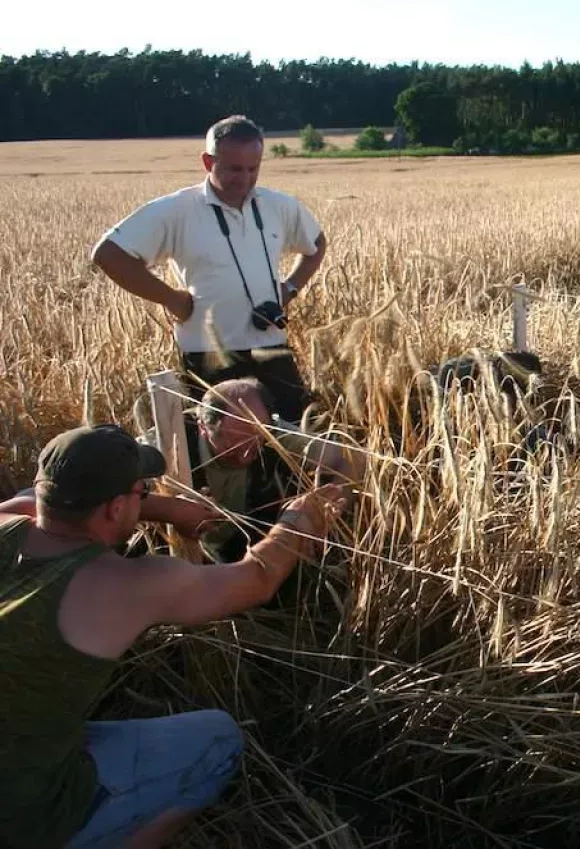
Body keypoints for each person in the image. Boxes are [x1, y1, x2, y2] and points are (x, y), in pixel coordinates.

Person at [0, 423, 346, 848]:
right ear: (115, 508)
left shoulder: (7, 524)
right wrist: (297, 521)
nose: (145, 497)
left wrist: (168, 509)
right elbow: (257, 580)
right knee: (218, 740)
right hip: (21, 817)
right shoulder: (123, 584)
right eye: (141, 491)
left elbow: (28, 501)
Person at [90, 114, 327, 423]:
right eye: (234, 169)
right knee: (224, 444)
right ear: (207, 161)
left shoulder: (278, 206)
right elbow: (108, 254)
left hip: (271, 346)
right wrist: (171, 299)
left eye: (253, 168)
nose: (244, 178)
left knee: (296, 434)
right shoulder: (176, 210)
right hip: (208, 354)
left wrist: (289, 288)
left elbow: (316, 244)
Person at [136, 376, 357, 568]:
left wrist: (323, 517)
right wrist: (171, 508)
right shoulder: (165, 442)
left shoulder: (274, 435)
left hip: (247, 558)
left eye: (256, 443)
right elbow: (116, 492)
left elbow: (353, 459)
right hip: (169, 567)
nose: (245, 456)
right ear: (203, 427)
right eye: (232, 444)